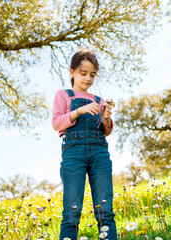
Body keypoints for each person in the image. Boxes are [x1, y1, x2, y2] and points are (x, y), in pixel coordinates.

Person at [52, 49, 118, 240]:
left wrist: (106, 118)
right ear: (72, 72)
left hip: (99, 153)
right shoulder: (63, 95)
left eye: (92, 74)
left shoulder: (99, 100)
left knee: (105, 209)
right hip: (74, 153)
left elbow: (106, 131)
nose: (88, 78)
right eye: (83, 73)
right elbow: (57, 123)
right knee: (72, 210)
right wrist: (78, 111)